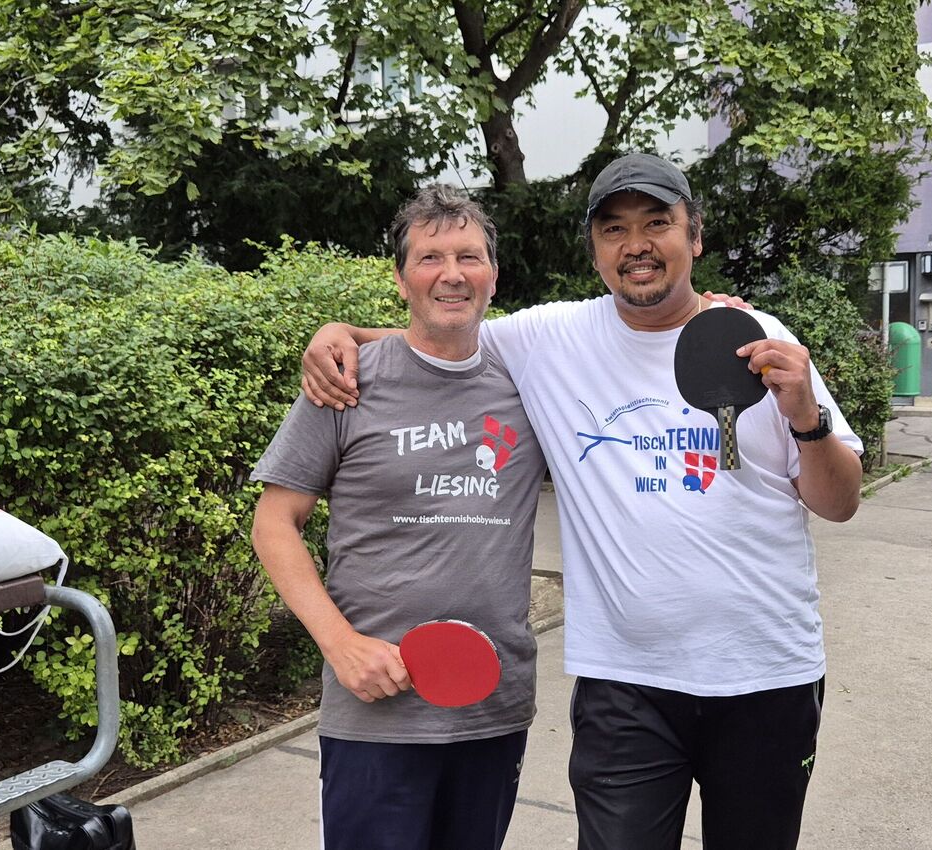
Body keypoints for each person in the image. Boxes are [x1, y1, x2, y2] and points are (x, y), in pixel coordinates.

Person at [300, 152, 864, 850]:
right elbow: (438, 337)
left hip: (767, 673)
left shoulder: (762, 340)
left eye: (658, 222)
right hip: (625, 685)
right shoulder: (551, 337)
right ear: (596, 250)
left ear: (695, 237)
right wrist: (340, 337)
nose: (636, 245)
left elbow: (838, 503)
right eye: (613, 229)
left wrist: (807, 414)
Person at [250, 185, 545, 850]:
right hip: (375, 713)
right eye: (429, 258)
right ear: (400, 277)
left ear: (493, 275)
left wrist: (712, 316)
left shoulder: (531, 379)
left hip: (493, 707)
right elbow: (274, 523)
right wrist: (339, 644)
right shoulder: (346, 383)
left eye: (469, 257)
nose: (451, 274)